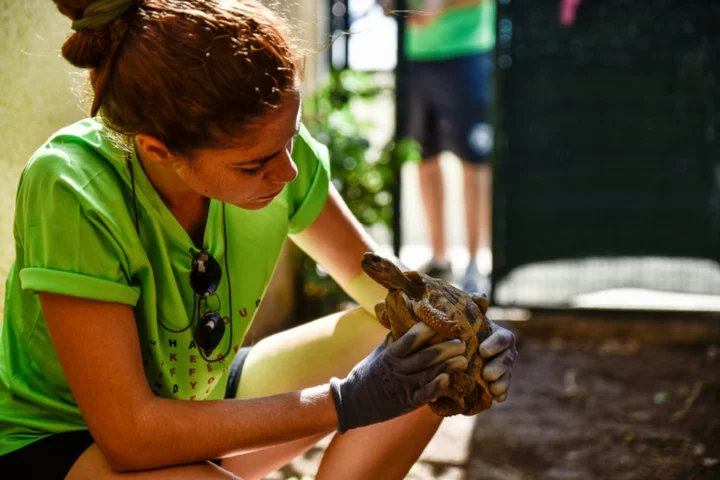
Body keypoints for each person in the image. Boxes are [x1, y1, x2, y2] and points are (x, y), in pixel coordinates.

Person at [0, 0, 518, 478]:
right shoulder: (72, 185)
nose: (289, 172)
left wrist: (472, 338)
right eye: (253, 165)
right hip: (73, 443)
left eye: (290, 140)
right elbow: (129, 435)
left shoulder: (272, 149)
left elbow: (389, 293)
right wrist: (346, 401)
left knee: (429, 350)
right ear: (159, 151)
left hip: (201, 404)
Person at [382, 0, 496, 293]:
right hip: (413, 57)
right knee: (423, 158)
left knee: (474, 160)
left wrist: (439, 5)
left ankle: (476, 265)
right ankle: (439, 260)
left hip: (468, 53)